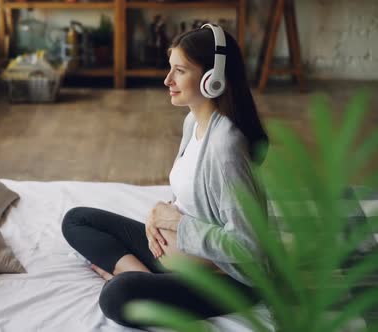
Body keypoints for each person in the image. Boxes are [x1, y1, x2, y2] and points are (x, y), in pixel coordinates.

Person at [62, 23, 269, 329]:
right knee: (76, 219)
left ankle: (130, 279)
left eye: (180, 71)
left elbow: (247, 245)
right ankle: (142, 276)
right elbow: (191, 194)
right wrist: (157, 217)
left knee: (116, 297)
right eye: (170, 69)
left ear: (213, 79)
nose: (167, 80)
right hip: (173, 256)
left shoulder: (226, 146)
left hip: (228, 282)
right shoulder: (192, 122)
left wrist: (176, 223)